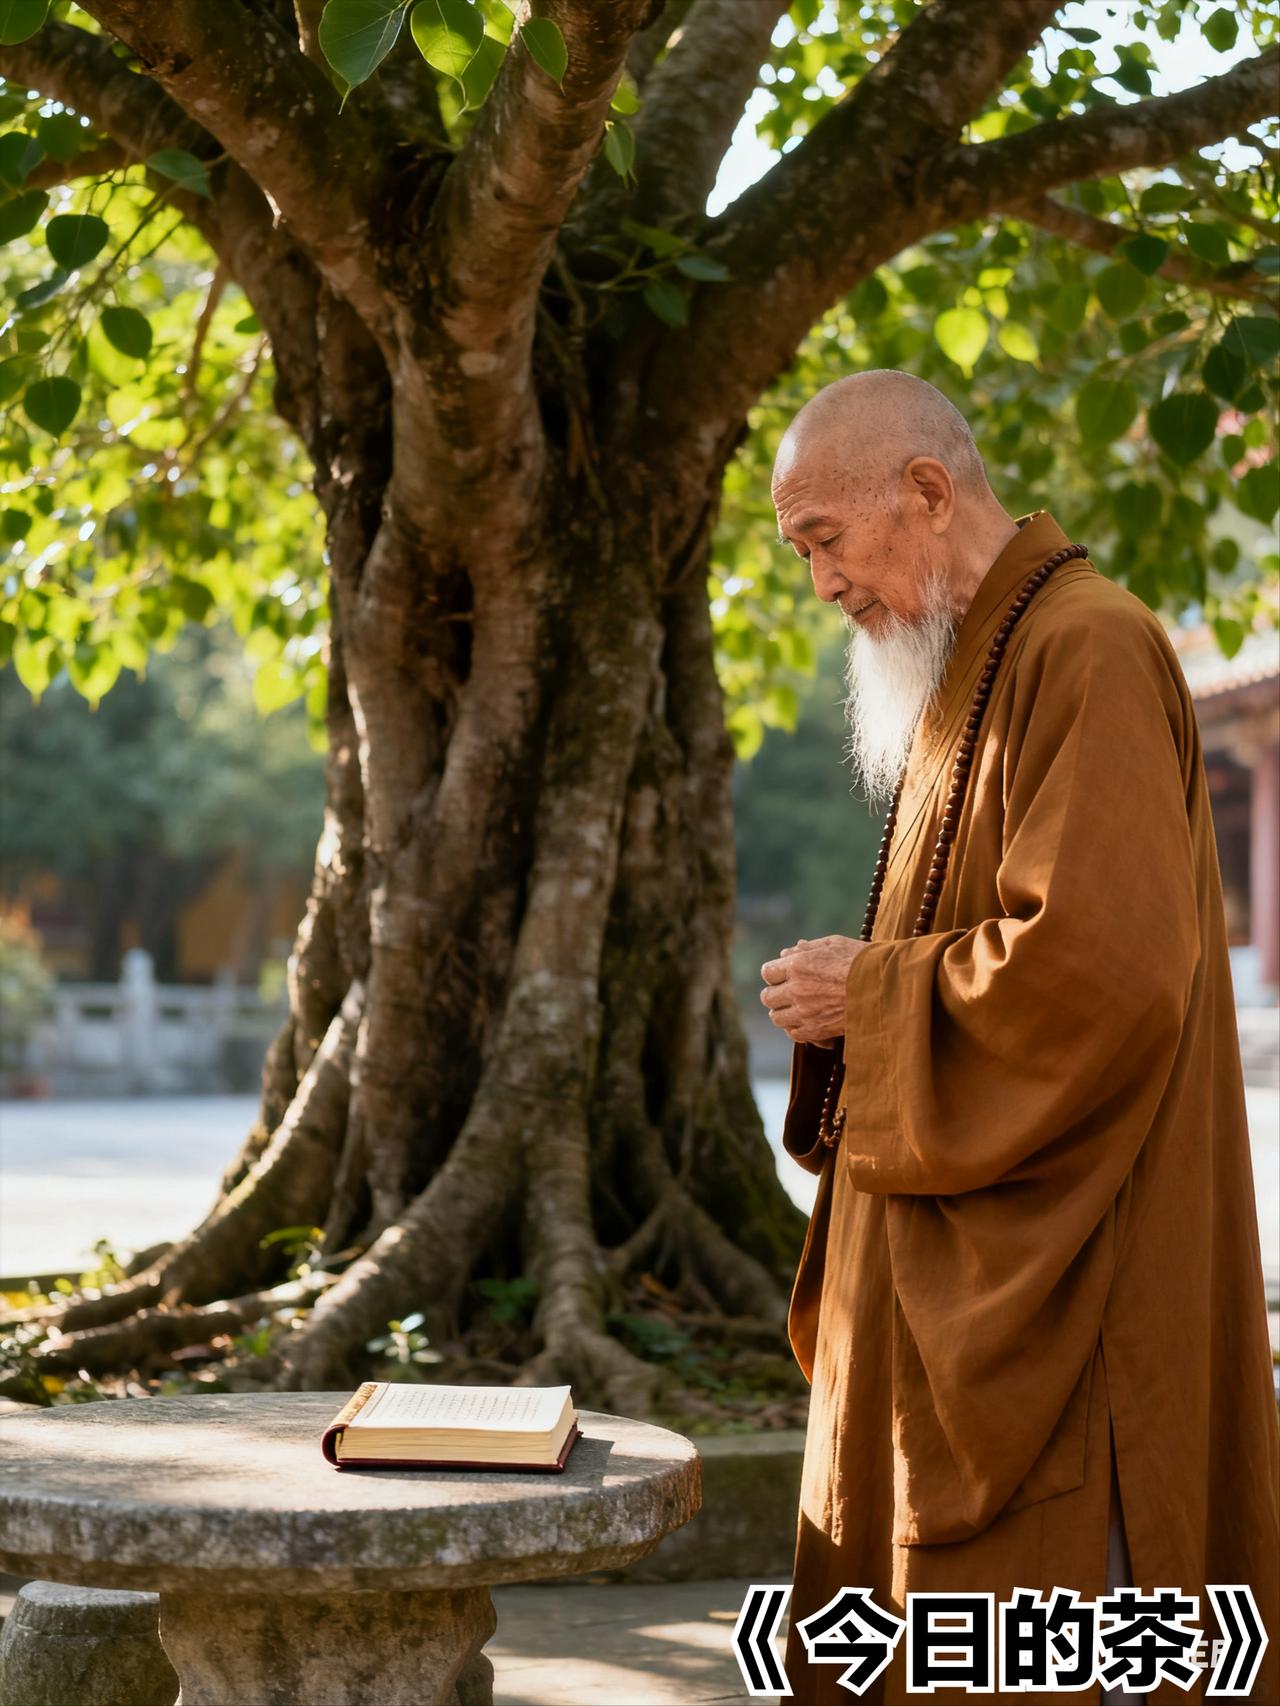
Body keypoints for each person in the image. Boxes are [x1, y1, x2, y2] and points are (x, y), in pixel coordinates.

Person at [759, 370, 1280, 1705]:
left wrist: (871, 993)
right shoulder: (973, 661)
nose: (822, 584)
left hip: (1074, 1301)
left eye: (825, 537)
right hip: (953, 1280)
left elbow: (1098, 975)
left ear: (927, 492)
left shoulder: (1084, 646)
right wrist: (873, 990)